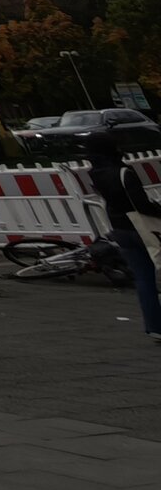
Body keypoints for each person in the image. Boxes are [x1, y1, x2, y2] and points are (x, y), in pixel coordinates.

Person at [82, 130, 161, 341]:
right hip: (141, 228)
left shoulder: (95, 173)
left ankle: (154, 326)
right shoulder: (123, 172)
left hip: (119, 229)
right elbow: (140, 204)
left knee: (143, 278)